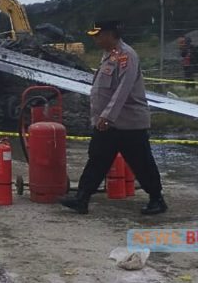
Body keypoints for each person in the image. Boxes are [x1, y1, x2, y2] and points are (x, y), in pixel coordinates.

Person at [60, 20, 168, 215]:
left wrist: (107, 116)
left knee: (141, 162)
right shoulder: (110, 55)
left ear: (110, 34)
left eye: (98, 35)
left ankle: (157, 199)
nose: (96, 39)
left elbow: (123, 90)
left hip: (128, 123)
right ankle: (82, 198)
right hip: (108, 124)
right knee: (97, 159)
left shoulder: (127, 56)